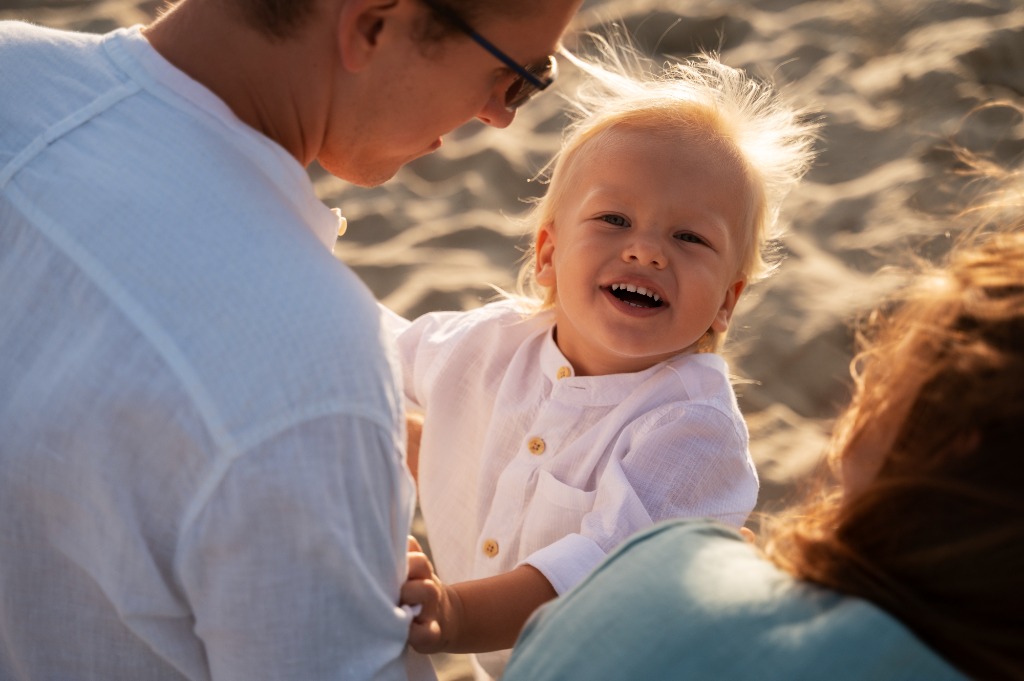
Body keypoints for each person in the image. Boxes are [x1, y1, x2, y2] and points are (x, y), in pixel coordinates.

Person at [0, 0, 581, 678]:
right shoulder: (309, 368)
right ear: (373, 25)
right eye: (517, 77)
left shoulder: (15, 70)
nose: (500, 116)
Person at [393, 47, 818, 679]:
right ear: (548, 254)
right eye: (614, 219)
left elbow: (598, 571)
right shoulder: (492, 343)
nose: (646, 251)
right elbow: (368, 352)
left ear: (727, 301)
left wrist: (453, 612)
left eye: (690, 237)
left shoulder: (691, 429)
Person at [500, 206, 1024, 677]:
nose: (865, 375)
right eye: (614, 219)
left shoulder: (662, 576)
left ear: (954, 440)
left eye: (894, 367)